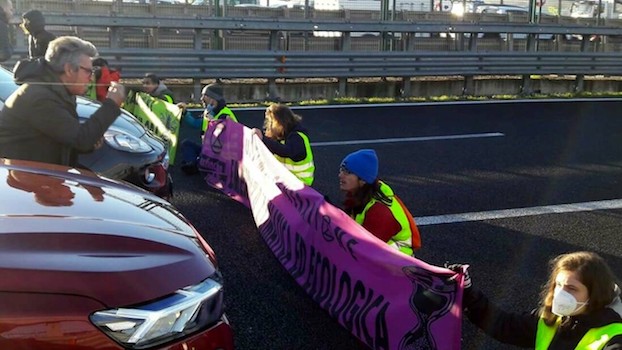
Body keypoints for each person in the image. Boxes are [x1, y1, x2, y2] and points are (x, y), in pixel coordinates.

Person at [449, 251, 622, 349]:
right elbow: (503, 325)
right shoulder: (551, 320)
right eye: (559, 285)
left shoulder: (614, 339)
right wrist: (468, 293)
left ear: (594, 294)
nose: (561, 294)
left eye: (571, 289)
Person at [0, 36, 126, 167]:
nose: (91, 78)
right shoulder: (40, 98)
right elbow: (80, 140)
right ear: (69, 69)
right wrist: (111, 105)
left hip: (37, 175)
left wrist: (91, 140)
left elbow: (66, 139)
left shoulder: (58, 92)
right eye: (89, 71)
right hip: (24, 181)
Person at [339, 149, 420, 256]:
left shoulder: (380, 212)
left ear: (363, 179)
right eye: (341, 169)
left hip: (397, 264)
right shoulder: (358, 194)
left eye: (348, 172)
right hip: (379, 257)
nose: (340, 175)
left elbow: (365, 251)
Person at [179, 83, 237, 175]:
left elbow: (224, 140)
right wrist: (185, 113)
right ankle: (193, 164)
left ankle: (199, 164)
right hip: (208, 149)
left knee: (205, 158)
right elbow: (196, 123)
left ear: (213, 99)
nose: (201, 99)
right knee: (186, 144)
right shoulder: (210, 112)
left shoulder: (225, 115)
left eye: (204, 96)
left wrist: (213, 120)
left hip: (221, 154)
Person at [251, 103, 314, 186]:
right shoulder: (284, 136)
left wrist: (264, 139)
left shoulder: (297, 137)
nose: (269, 127)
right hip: (288, 181)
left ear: (279, 123)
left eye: (271, 123)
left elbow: (286, 151)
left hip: (300, 184)